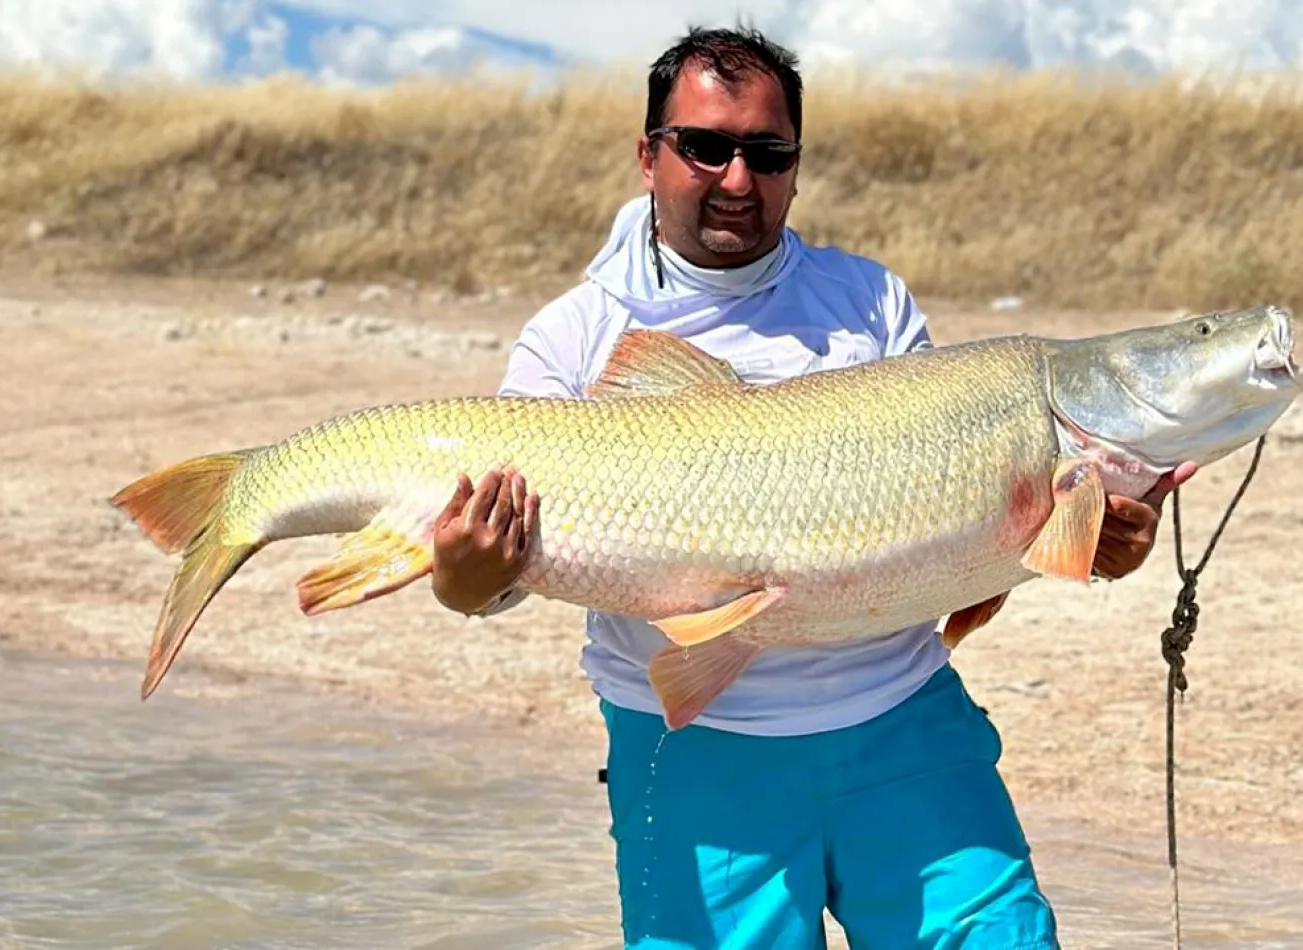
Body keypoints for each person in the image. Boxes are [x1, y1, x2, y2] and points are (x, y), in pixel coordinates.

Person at [428, 25, 1194, 950]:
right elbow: (488, 583)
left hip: (904, 725)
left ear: (796, 163)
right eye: (706, 147)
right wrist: (464, 578)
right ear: (649, 156)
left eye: (768, 152)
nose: (737, 179)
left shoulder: (869, 304)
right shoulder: (572, 339)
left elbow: (965, 537)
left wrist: (1100, 542)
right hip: (695, 751)